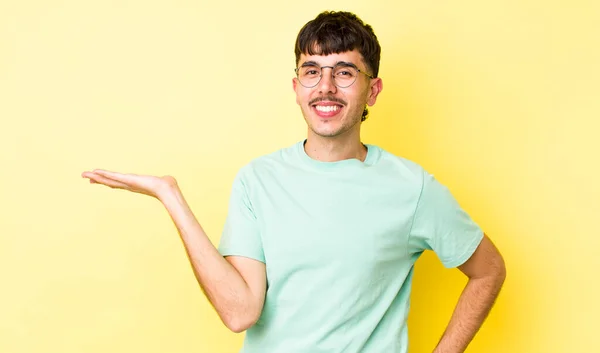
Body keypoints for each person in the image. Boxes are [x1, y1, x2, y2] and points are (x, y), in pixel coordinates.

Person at [82, 10, 506, 353]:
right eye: (311, 71)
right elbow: (239, 313)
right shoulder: (258, 180)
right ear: (296, 86)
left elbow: (488, 271)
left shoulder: (412, 188)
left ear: (372, 91)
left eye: (344, 73)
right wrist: (169, 196)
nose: (325, 88)